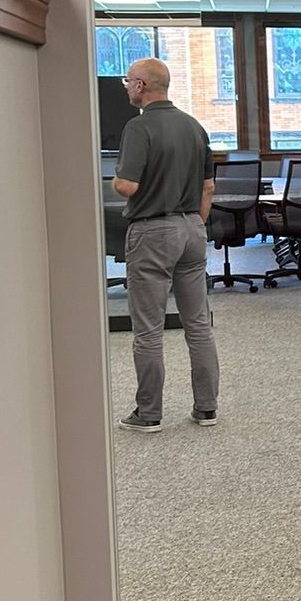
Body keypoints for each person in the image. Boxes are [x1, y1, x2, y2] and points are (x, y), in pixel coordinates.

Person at [111, 56, 221, 431]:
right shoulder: (194, 126)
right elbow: (209, 187)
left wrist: (115, 181)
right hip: (193, 228)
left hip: (153, 233)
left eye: (128, 81)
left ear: (141, 85)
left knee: (148, 329)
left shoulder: (139, 128)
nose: (126, 86)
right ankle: (206, 408)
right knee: (198, 325)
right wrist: (194, 222)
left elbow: (128, 186)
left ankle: (149, 413)